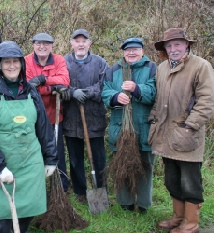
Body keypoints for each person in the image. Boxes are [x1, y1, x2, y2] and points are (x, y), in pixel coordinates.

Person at [0, 41, 58, 233]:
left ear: (22, 64)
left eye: (15, 61)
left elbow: (43, 128)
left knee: (26, 211)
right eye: (6, 62)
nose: (11, 66)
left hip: (29, 164)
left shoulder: (31, 92)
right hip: (0, 165)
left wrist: (51, 159)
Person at [149, 28, 214, 232]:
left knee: (190, 181)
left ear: (187, 45)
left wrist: (190, 125)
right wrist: (153, 117)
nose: (173, 49)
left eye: (177, 44)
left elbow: (207, 100)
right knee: (172, 179)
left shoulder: (201, 66)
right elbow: (159, 98)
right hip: (165, 134)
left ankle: (191, 223)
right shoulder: (162, 68)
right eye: (169, 45)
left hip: (188, 135)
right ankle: (178, 218)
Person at [102, 37, 157, 213]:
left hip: (144, 126)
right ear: (123, 52)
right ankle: (125, 202)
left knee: (145, 166)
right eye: (127, 50)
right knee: (122, 164)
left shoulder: (151, 69)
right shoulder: (114, 70)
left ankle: (143, 205)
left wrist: (137, 89)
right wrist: (115, 97)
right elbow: (105, 91)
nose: (131, 53)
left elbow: (155, 92)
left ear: (142, 51)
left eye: (135, 49)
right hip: (120, 127)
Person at [62, 29, 109, 204]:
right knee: (75, 159)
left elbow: (105, 84)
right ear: (71, 43)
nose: (81, 44)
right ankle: (81, 191)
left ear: (90, 43)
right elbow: (58, 85)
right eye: (77, 41)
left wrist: (87, 92)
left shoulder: (100, 63)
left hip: (94, 118)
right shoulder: (64, 62)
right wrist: (72, 92)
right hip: (71, 119)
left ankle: (101, 188)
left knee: (98, 158)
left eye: (84, 41)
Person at [25, 32, 70, 192]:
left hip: (54, 116)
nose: (42, 47)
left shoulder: (59, 60)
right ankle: (36, 187)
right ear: (34, 45)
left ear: (51, 45)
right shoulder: (26, 61)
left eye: (46, 44)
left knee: (56, 152)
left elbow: (64, 80)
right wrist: (53, 88)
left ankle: (60, 188)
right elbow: (28, 85)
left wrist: (43, 80)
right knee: (34, 152)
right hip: (33, 117)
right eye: (38, 43)